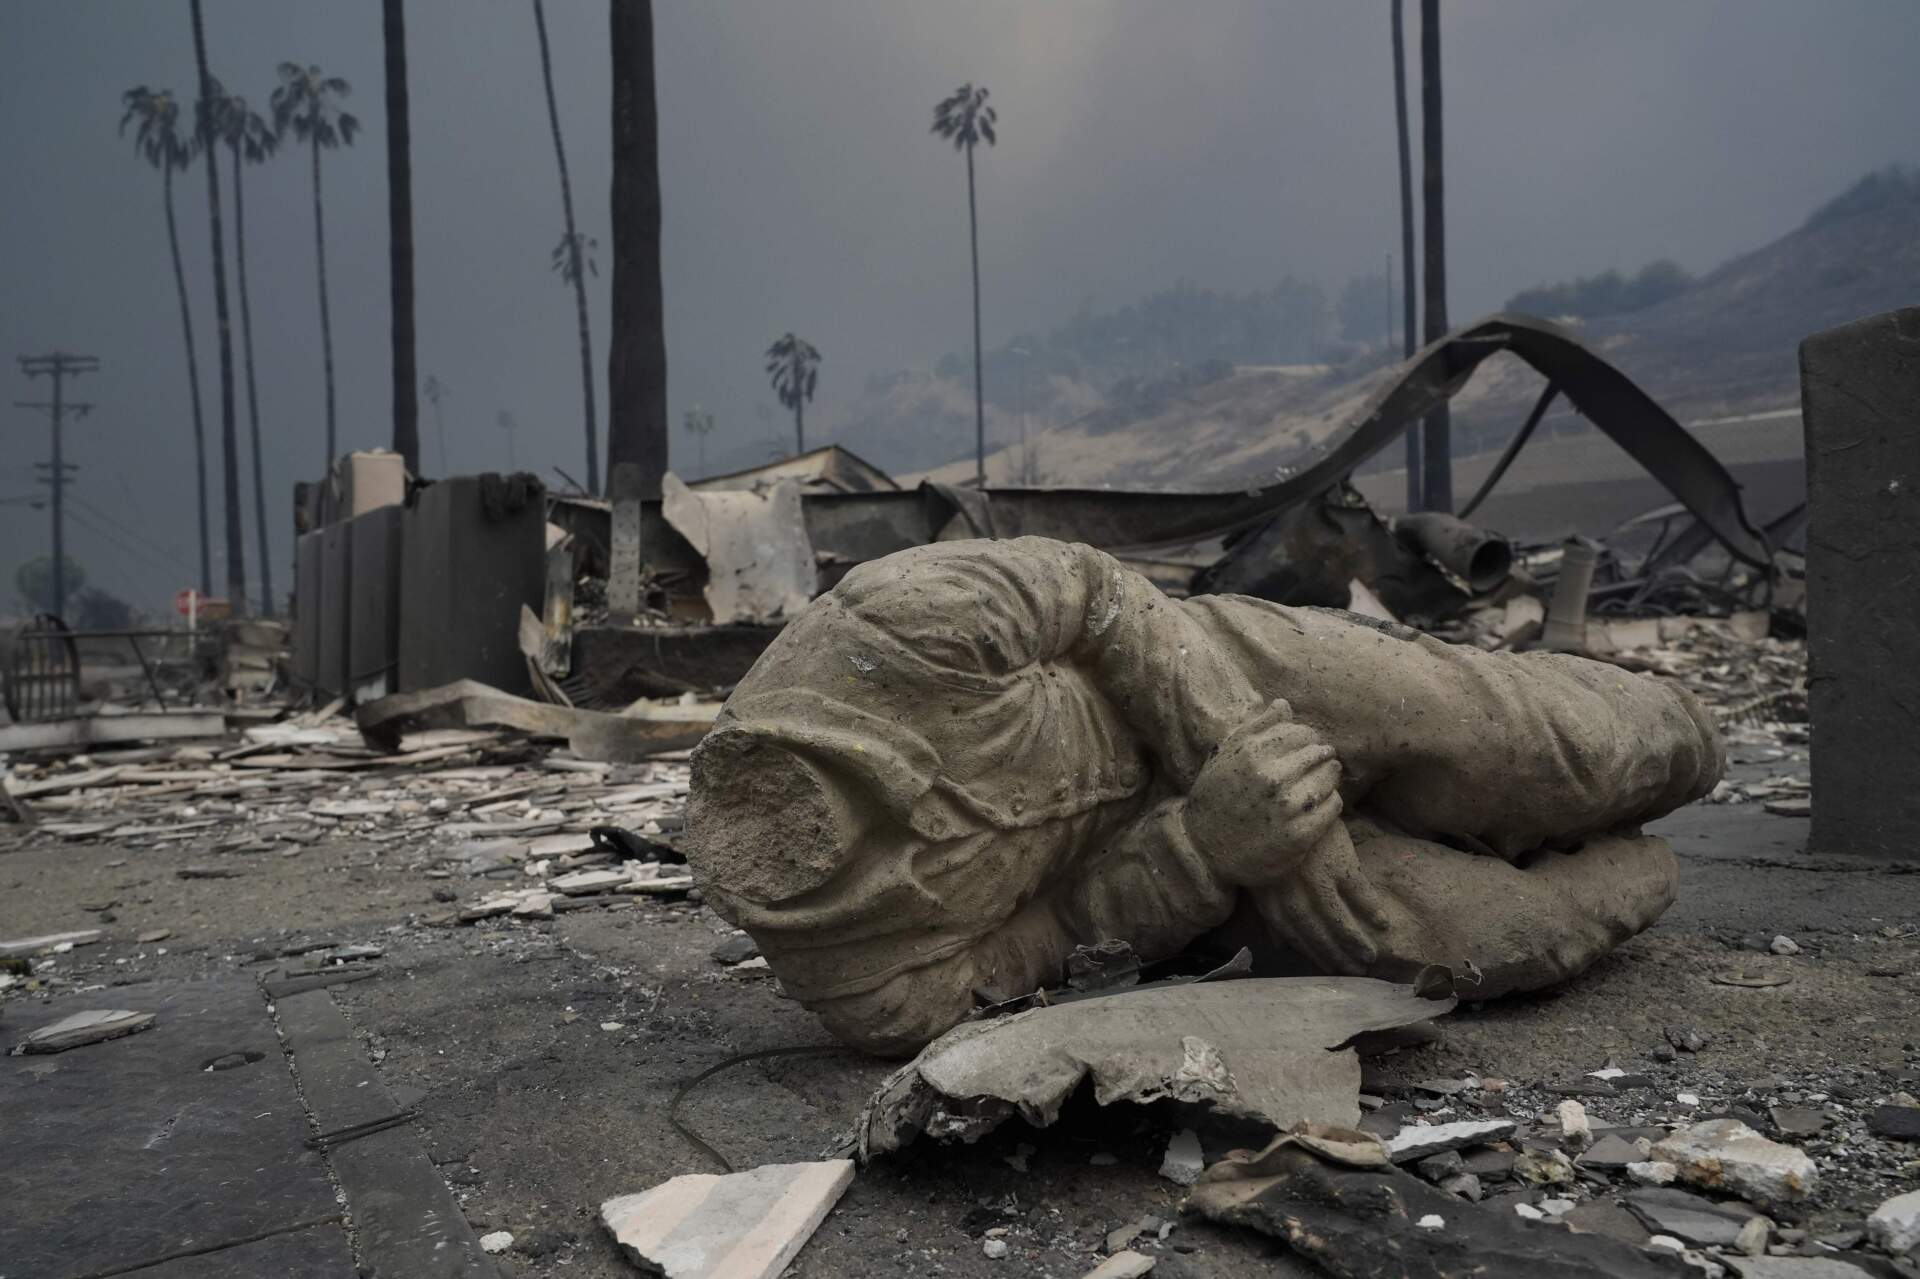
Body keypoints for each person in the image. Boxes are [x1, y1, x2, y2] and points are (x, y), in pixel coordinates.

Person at [687, 537, 1722, 1055]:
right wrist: (1210, 850)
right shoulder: (864, 988)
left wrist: (1254, 771)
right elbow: (1056, 938)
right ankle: (1651, 865)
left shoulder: (889, 628)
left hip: (1218, 678)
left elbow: (1099, 597)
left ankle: (1691, 739)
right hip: (1196, 865)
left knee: (1551, 754)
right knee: (1490, 941)